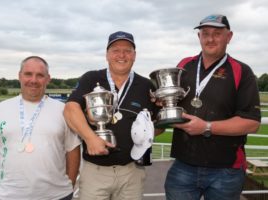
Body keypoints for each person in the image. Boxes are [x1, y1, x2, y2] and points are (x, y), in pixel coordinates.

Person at [164, 14, 262, 200]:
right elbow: (172, 105)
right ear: (198, 37)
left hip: (226, 171)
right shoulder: (184, 66)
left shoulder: (242, 71)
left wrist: (206, 127)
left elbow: (251, 122)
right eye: (205, 33)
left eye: (217, 33)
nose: (210, 39)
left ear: (229, 37)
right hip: (183, 166)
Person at [64, 31, 163, 200]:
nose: (122, 55)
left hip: (132, 172)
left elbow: (159, 125)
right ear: (107, 55)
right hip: (95, 172)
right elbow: (70, 109)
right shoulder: (91, 78)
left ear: (134, 55)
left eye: (127, 50)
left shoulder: (147, 85)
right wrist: (90, 138)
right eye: (116, 50)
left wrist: (146, 132)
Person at [0, 56, 81, 200]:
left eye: (40, 75)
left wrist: (69, 184)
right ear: (19, 76)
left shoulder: (63, 110)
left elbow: (72, 149)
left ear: (48, 79)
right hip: (5, 195)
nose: (34, 80)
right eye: (28, 74)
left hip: (56, 196)